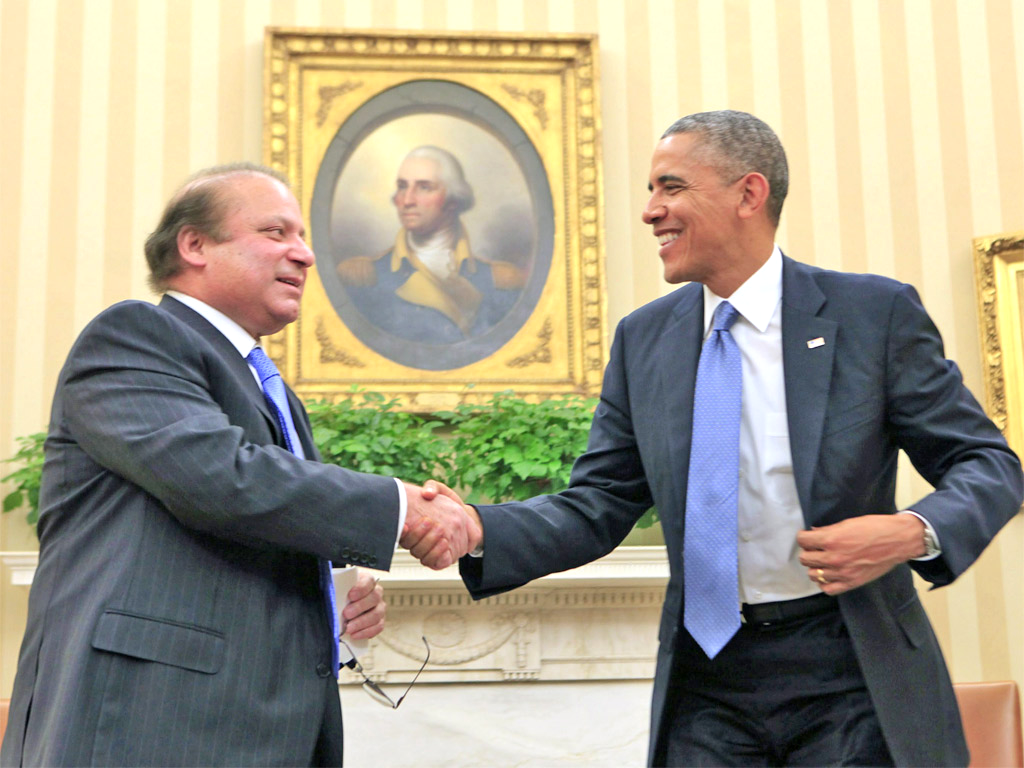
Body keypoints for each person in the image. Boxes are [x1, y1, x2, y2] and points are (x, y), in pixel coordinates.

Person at [409, 111, 1024, 766]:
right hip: (709, 681)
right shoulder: (644, 341)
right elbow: (597, 504)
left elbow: (987, 464)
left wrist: (909, 532)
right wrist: (478, 528)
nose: (650, 211)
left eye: (670, 187)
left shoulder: (873, 316)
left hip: (849, 671)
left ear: (748, 195)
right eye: (651, 190)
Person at [1, 163, 480, 767]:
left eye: (303, 237)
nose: (304, 255)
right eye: (277, 233)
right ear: (194, 245)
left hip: (254, 728)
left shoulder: (269, 388)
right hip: (146, 725)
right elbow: (219, 478)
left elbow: (259, 519)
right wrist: (399, 508)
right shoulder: (134, 336)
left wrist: (333, 597)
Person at [336, 145, 526, 344]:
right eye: (402, 186)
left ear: (453, 199)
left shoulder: (502, 281)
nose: (407, 200)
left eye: (424, 187)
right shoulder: (362, 278)